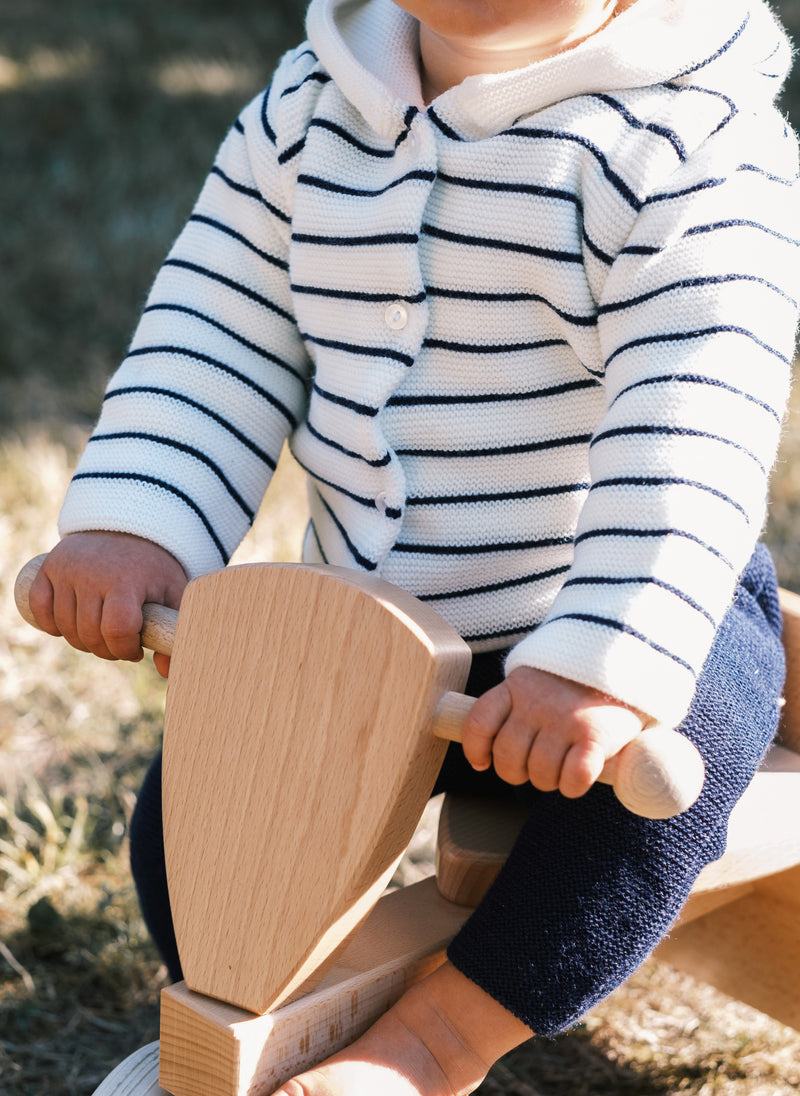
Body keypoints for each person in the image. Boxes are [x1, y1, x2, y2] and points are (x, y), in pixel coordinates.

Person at [28, 0, 800, 1092]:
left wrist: (600, 664)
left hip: (603, 610)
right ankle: (235, 1006)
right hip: (371, 620)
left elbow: (691, 429)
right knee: (199, 802)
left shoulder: (685, 143)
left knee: (684, 761)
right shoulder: (312, 106)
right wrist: (136, 520)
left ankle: (439, 1039)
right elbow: (217, 328)